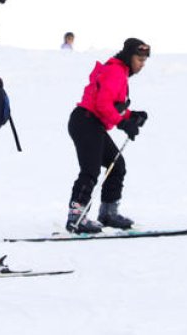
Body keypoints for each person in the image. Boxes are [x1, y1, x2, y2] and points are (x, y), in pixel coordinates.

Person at [65, 38, 151, 234]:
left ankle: (108, 214)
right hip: (86, 121)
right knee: (90, 170)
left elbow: (113, 105)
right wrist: (123, 123)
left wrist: (132, 116)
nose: (142, 64)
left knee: (117, 165)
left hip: (91, 123)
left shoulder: (121, 72)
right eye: (139, 59)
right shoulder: (115, 71)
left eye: (144, 60)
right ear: (129, 56)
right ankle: (76, 217)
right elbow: (102, 105)